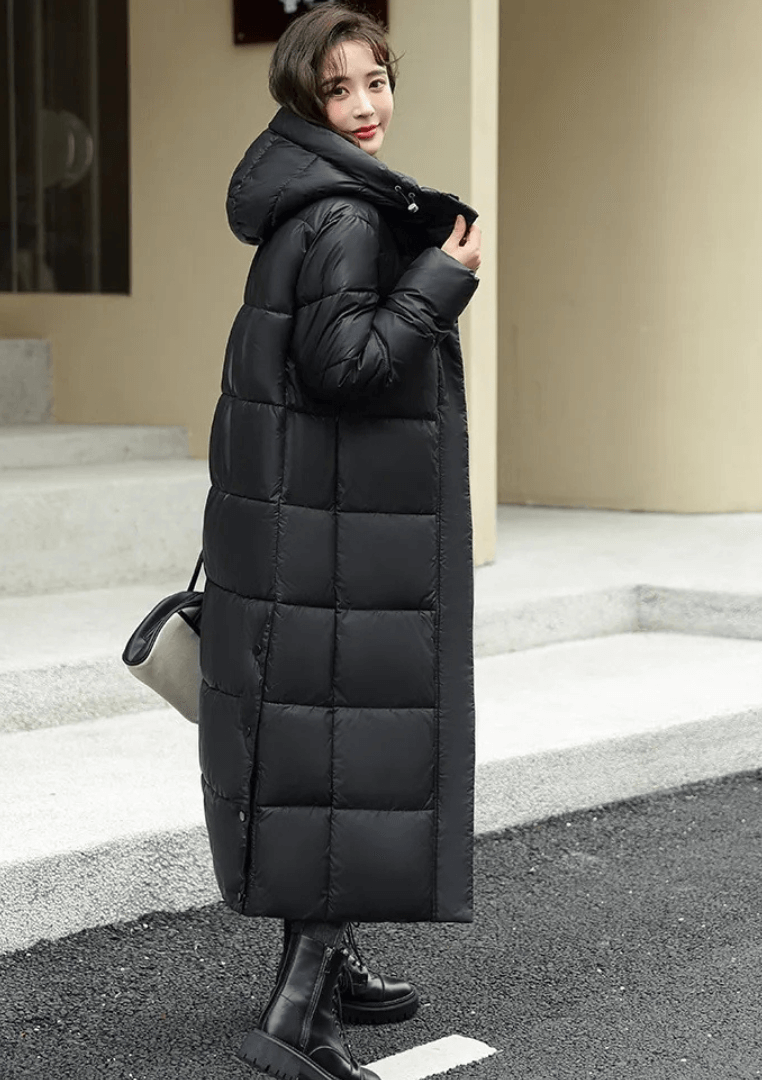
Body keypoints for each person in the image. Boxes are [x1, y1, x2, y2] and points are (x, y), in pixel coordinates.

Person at [197, 3, 482, 1078]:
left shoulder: (303, 200)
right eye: (338, 88)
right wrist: (439, 281)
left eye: (376, 80)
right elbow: (343, 365)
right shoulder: (348, 218)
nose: (365, 105)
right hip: (330, 537)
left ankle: (334, 971)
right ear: (303, 99)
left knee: (320, 759)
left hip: (304, 525)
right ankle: (295, 1017)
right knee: (345, 759)